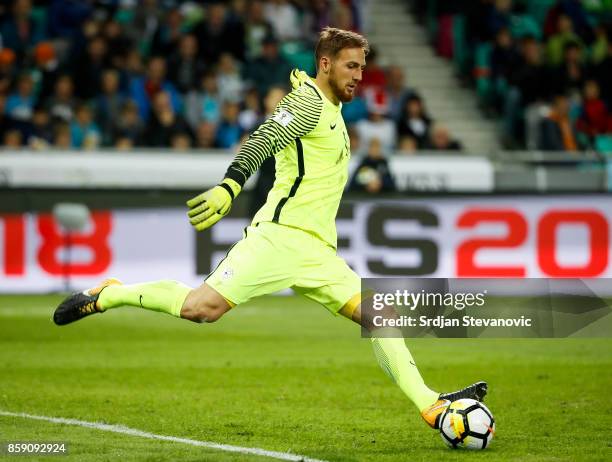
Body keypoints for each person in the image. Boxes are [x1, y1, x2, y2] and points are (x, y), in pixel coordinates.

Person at [53, 27, 486, 431]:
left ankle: (430, 405)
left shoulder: (329, 107)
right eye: (351, 66)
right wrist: (231, 183)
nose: (360, 76)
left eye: (362, 67)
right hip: (278, 238)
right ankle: (109, 293)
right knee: (201, 309)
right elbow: (263, 139)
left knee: (379, 316)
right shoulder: (308, 102)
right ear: (326, 64)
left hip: (318, 251)